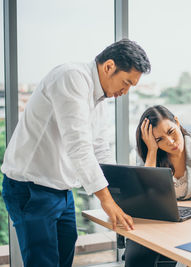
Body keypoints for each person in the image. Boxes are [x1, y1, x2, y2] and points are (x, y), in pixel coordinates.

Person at [1, 39, 151, 266]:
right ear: (109, 66)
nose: (125, 91)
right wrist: (107, 202)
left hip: (60, 188)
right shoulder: (71, 78)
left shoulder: (100, 99)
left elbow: (100, 148)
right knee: (43, 261)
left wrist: (120, 193)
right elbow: (79, 146)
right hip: (30, 187)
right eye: (126, 82)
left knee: (64, 258)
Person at [123, 105, 191, 267]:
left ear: (177, 123)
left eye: (171, 132)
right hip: (155, 222)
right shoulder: (146, 154)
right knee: (137, 258)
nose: (170, 142)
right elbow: (144, 197)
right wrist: (152, 151)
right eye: (159, 139)